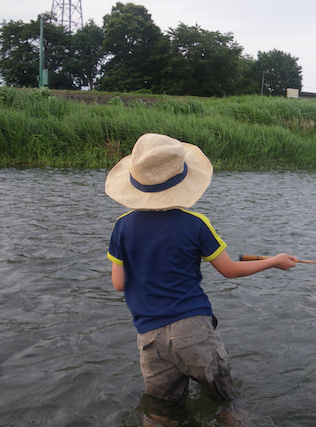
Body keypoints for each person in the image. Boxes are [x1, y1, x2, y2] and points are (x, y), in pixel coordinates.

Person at [105, 133, 297, 412]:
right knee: (226, 405)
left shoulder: (121, 227)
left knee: (160, 411)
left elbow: (118, 283)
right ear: (182, 181)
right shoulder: (195, 224)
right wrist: (274, 261)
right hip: (192, 330)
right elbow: (229, 270)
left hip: (149, 336)